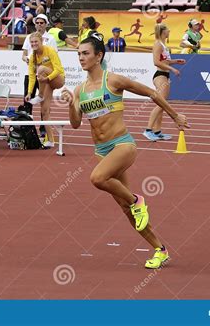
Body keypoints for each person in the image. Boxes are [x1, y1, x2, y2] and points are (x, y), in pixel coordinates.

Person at [61, 34, 189, 269]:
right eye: (79, 53)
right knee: (125, 208)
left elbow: (152, 93)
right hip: (102, 150)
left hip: (123, 145)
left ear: (99, 56)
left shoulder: (113, 81)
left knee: (97, 178)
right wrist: (71, 104)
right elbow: (76, 124)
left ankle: (137, 199)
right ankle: (160, 250)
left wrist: (174, 115)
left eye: (86, 53)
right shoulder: (79, 90)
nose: (81, 57)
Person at [144, 24, 186, 141]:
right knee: (161, 103)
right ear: (163, 32)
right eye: (167, 29)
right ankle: (148, 130)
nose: (169, 31)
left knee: (162, 104)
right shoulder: (158, 44)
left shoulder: (163, 45)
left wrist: (175, 61)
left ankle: (157, 131)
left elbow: (165, 61)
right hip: (160, 75)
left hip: (164, 75)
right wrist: (173, 69)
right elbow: (156, 62)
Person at [25, 32, 65, 148]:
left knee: (41, 68)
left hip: (58, 79)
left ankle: (40, 95)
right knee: (44, 111)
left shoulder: (50, 50)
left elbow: (58, 69)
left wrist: (47, 78)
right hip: (46, 82)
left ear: (41, 41)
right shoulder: (32, 57)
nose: (34, 44)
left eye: (36, 41)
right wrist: (29, 92)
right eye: (32, 42)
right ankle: (51, 141)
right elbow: (32, 76)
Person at [21, 14, 57, 117]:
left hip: (44, 75)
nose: (39, 25)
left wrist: (41, 63)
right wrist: (27, 59)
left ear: (46, 24)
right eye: (37, 23)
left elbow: (53, 57)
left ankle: (43, 129)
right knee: (27, 102)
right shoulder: (29, 37)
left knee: (44, 103)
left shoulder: (50, 39)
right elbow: (23, 55)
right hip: (30, 73)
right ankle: (26, 128)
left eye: (41, 23)